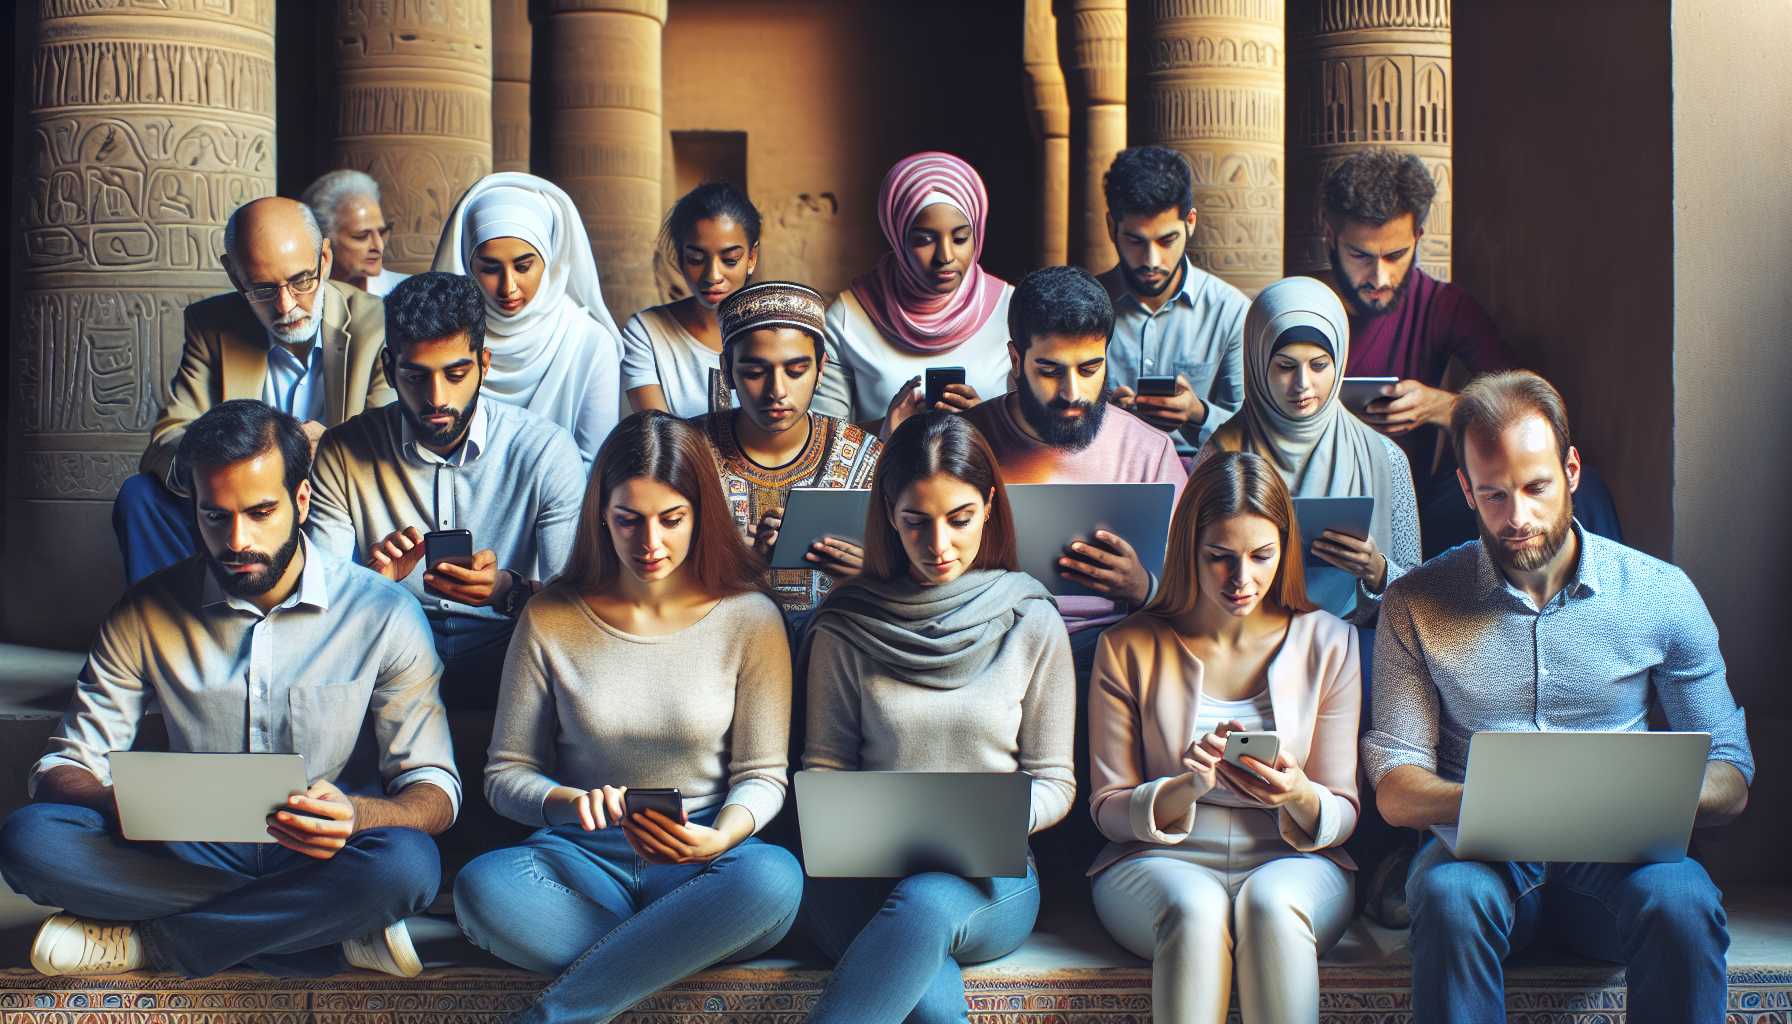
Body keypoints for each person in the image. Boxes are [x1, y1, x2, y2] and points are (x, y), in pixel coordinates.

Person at [0, 401, 457, 979]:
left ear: (302, 501)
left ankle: (152, 943)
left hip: (320, 852)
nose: (237, 540)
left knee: (406, 867)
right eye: (216, 517)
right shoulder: (145, 611)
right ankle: (326, 929)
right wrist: (114, 802)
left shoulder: (384, 614)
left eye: (261, 512)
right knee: (30, 842)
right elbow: (66, 763)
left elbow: (435, 790)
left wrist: (357, 814)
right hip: (186, 847)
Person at [1363, 371, 1752, 1024]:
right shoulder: (1416, 601)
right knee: (1447, 893)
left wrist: (1630, 797)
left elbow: (1732, 777)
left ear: (1571, 470)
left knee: (1683, 900)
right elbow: (1397, 784)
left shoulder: (1661, 594)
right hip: (1482, 867)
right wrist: (1505, 801)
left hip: (1622, 867)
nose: (1517, 518)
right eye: (1492, 495)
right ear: (1465, 488)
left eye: (1536, 487)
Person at [453, 411, 803, 1024]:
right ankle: (670, 950)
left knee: (773, 878)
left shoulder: (750, 617)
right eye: (628, 520)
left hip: (703, 863)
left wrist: (721, 835)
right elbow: (506, 775)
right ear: (600, 517)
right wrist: (565, 801)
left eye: (672, 521)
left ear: (701, 514)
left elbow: (764, 774)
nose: (650, 544)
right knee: (481, 887)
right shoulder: (551, 616)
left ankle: (560, 1011)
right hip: (579, 862)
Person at [799, 411, 1074, 1024]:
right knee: (917, 961)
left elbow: (1056, 781)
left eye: (960, 519)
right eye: (915, 523)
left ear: (990, 506)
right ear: (888, 516)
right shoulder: (848, 623)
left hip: (989, 882)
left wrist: (998, 817)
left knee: (923, 904)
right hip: (860, 875)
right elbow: (824, 766)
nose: (939, 545)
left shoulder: (1030, 619)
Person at [1088, 451, 1360, 1024]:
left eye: (1262, 556)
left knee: (1272, 902)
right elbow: (1108, 811)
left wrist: (1297, 794)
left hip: (1295, 860)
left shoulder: (1330, 642)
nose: (1243, 580)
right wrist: (1186, 786)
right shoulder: (1128, 645)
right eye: (1220, 558)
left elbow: (1344, 807)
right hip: (1157, 862)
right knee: (1195, 904)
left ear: (1285, 549)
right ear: (1189, 549)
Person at [305, 273, 586, 709]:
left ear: (485, 364)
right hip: (388, 655)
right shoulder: (343, 452)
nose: (437, 398)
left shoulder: (546, 452)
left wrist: (505, 590)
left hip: (514, 656)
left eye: (456, 373)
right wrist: (372, 586)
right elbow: (320, 605)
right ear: (388, 368)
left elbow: (575, 611)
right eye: (416, 377)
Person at [113, 196, 392, 585]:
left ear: (324, 260)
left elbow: (388, 446)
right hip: (237, 507)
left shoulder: (378, 323)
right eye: (262, 288)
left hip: (332, 505)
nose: (285, 305)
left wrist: (327, 448)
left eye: (301, 281)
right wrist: (230, 462)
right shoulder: (211, 325)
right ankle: (170, 629)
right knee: (141, 497)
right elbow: (167, 440)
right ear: (234, 275)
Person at [960, 265, 1187, 677]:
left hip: (1113, 650)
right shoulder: (965, 442)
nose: (1072, 393)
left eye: (1089, 369)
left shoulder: (1149, 452)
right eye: (1050, 371)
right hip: (985, 645)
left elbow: (1200, 590)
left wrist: (1143, 587)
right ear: (1015, 359)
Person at [1196, 276, 1420, 623]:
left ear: (1340, 362)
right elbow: (1187, 573)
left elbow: (1418, 592)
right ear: (1257, 362)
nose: (1302, 384)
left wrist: (1375, 570)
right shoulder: (1219, 455)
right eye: (1285, 366)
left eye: (1319, 365)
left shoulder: (1384, 459)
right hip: (1243, 644)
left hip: (1352, 640)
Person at [691, 281, 882, 627]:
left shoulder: (866, 459)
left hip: (838, 646)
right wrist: (739, 566)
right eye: (754, 372)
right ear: (728, 370)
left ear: (821, 367)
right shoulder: (689, 452)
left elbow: (914, 571)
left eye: (796, 371)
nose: (777, 391)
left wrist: (870, 571)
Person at [432, 171, 625, 465]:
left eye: (523, 266)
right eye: (490, 268)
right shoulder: (443, 340)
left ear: (549, 257)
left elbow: (594, 463)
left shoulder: (589, 342)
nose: (508, 286)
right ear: (468, 264)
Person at [814, 152, 1014, 430]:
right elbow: (821, 439)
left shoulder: (1011, 310)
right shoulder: (848, 319)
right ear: (896, 236)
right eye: (923, 240)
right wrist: (889, 429)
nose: (945, 256)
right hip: (884, 473)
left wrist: (988, 421)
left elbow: (1042, 432)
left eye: (960, 238)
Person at [1098, 146, 1249, 455]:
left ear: (1190, 222)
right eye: (1135, 241)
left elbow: (1254, 434)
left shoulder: (1231, 312)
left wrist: (1198, 414)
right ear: (1112, 226)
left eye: (1166, 240)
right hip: (1105, 472)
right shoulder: (1085, 306)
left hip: (1202, 484)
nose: (1152, 260)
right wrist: (1103, 419)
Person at [622, 182, 760, 418]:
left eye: (730, 260)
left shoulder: (781, 331)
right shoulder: (646, 334)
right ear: (680, 257)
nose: (712, 276)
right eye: (696, 259)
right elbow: (661, 438)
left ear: (751, 258)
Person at [302, 169, 410, 297]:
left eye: (381, 232)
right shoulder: (296, 302)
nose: (378, 246)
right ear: (323, 240)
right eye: (361, 236)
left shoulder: (411, 295)